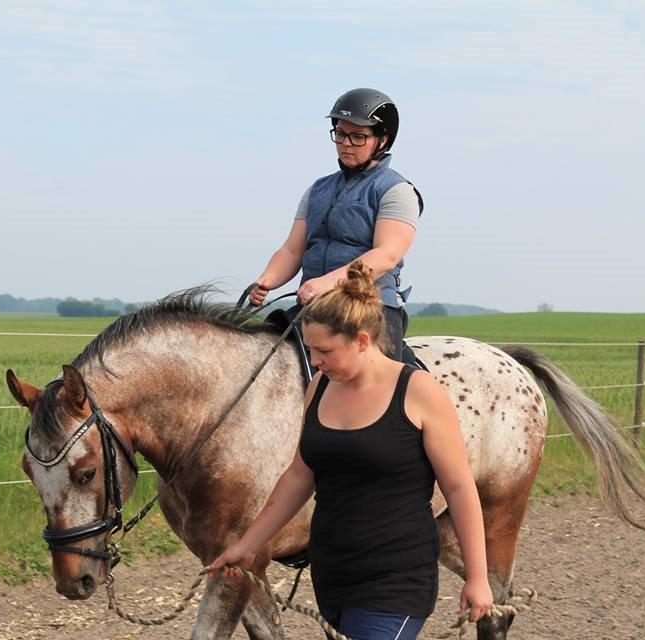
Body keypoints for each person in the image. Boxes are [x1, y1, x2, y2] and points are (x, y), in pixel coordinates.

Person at [210, 262, 493, 640]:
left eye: (324, 350)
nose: (315, 362)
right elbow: (299, 475)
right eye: (310, 350)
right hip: (333, 575)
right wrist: (247, 547)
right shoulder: (320, 389)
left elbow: (459, 488)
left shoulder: (417, 390)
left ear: (362, 340)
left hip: (396, 579)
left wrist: (477, 577)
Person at [249, 88, 422, 361]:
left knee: (379, 387)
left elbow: (386, 255)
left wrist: (328, 283)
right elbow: (293, 250)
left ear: (382, 139)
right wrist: (267, 279)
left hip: (370, 308)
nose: (346, 143)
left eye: (358, 136)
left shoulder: (396, 191)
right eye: (340, 134)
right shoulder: (318, 189)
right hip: (314, 306)